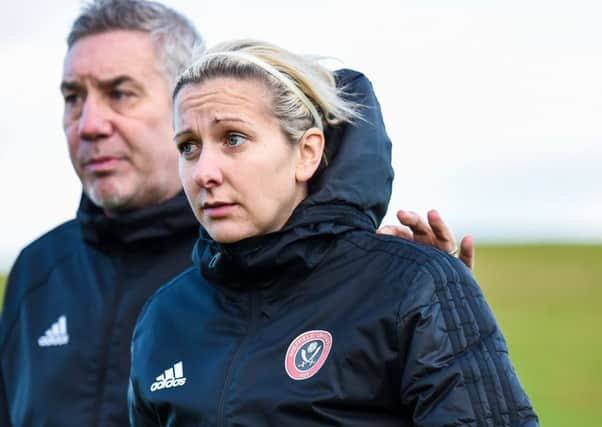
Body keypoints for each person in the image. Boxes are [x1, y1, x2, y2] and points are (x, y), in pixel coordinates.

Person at [0, 1, 473, 426]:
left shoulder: (292, 263)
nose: (90, 125)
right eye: (72, 98)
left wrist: (442, 322)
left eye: (120, 93)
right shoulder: (37, 273)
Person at [128, 40, 537, 426]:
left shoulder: (412, 287)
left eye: (233, 139)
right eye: (188, 146)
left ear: (306, 153)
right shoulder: (165, 318)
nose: (204, 173)